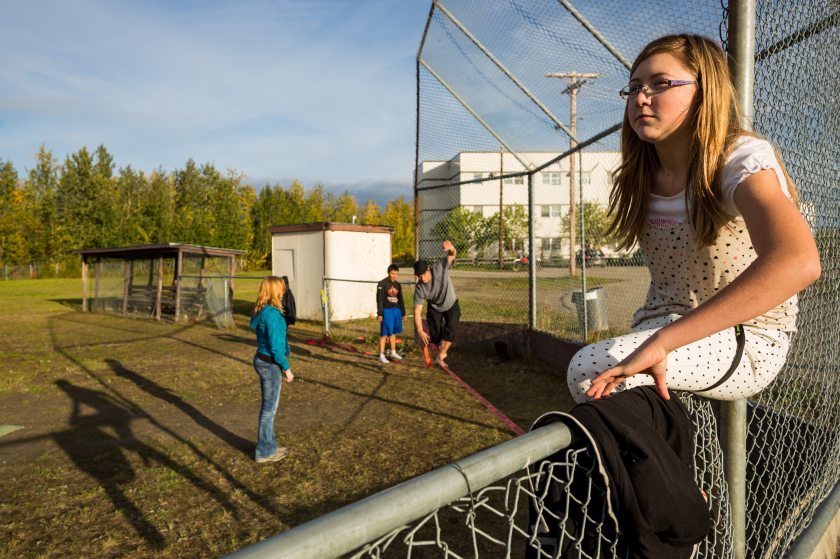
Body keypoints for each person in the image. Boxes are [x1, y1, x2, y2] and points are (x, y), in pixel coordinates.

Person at [568, 34, 820, 403]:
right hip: (661, 325)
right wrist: (658, 336)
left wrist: (664, 342)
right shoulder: (640, 175)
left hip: (747, 335)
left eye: (661, 84)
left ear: (705, 93)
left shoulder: (738, 159)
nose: (641, 97)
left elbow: (799, 262)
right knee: (613, 387)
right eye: (635, 86)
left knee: (589, 369)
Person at [249, 276, 294, 463]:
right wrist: (287, 368)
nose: (284, 292)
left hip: (262, 359)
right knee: (269, 409)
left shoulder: (263, 310)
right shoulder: (273, 315)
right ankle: (265, 451)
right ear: (276, 291)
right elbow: (276, 348)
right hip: (269, 364)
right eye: (281, 289)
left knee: (269, 408)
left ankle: (269, 444)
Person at [414, 240, 460, 367]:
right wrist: (419, 330)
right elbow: (417, 311)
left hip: (451, 303)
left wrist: (451, 247)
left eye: (423, 275)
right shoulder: (420, 288)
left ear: (428, 270)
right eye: (419, 277)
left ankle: (441, 355)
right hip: (434, 307)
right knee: (436, 337)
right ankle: (441, 351)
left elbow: (452, 255)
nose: (421, 279)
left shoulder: (439, 267)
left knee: (450, 330)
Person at [376, 264, 406, 363]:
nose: (394, 276)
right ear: (389, 272)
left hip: (396, 310)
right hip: (386, 310)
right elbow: (379, 300)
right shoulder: (382, 284)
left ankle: (393, 352)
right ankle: (381, 355)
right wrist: (380, 313)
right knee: (384, 333)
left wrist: (403, 313)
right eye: (393, 273)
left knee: (393, 332)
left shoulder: (398, 285)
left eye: (396, 274)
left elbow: (401, 299)